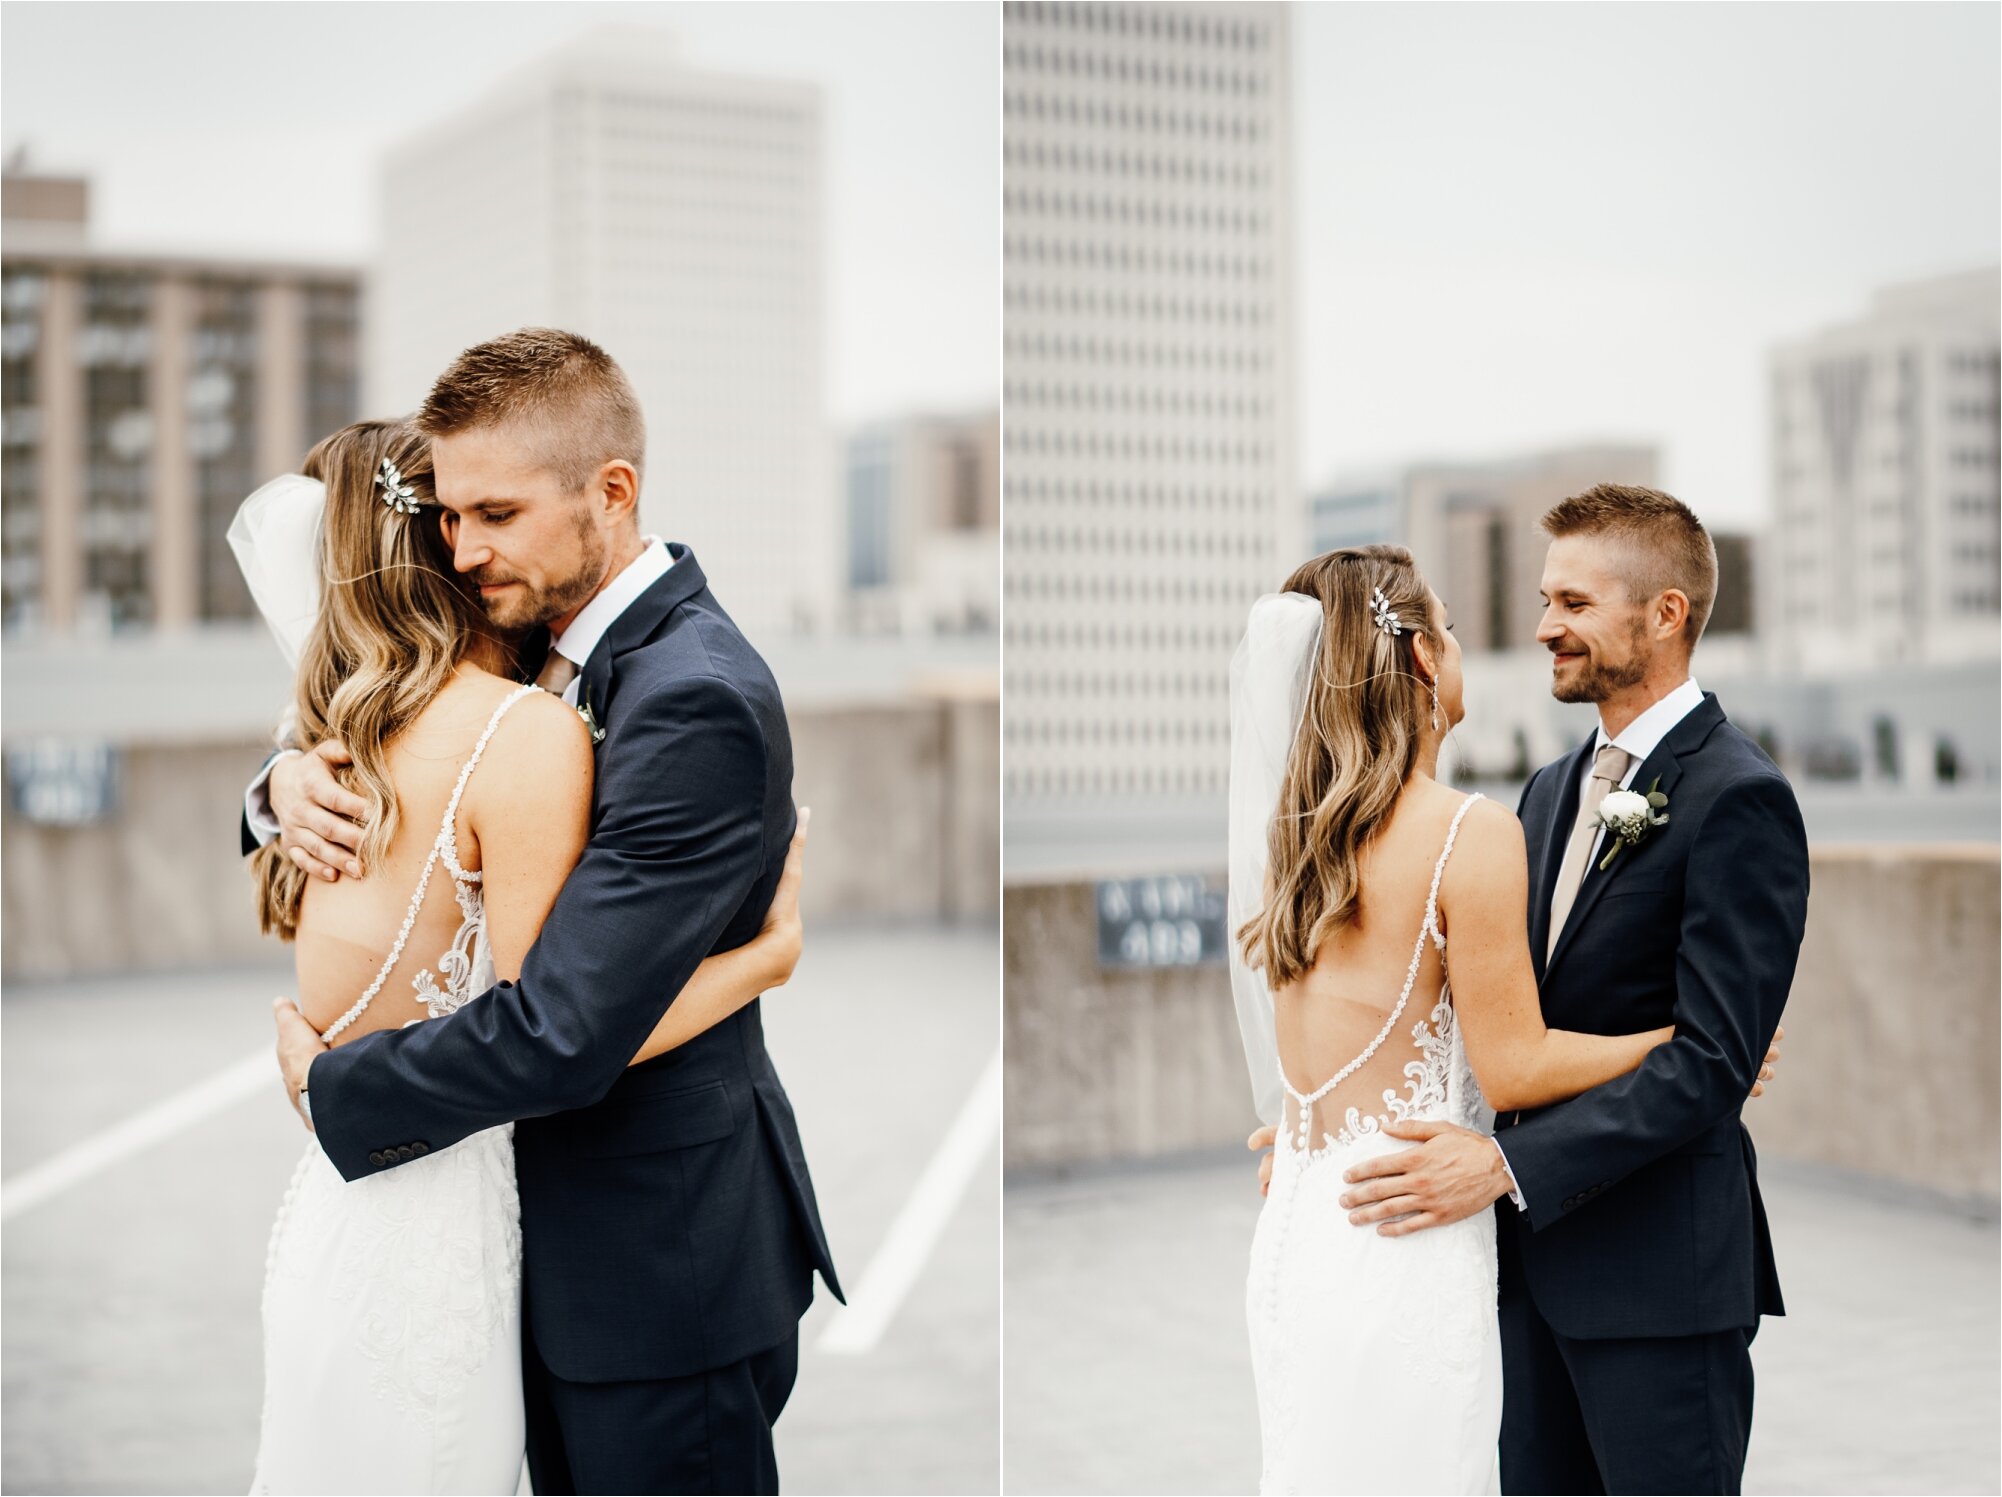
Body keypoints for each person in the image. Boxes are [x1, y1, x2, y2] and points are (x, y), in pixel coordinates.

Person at [249, 330, 840, 1495]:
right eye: (450, 519)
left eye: (495, 516)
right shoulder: (530, 650)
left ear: (610, 494)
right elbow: (415, 764)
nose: (462, 552)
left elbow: (563, 1031)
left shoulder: (692, 699)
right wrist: (276, 787)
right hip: (537, 1252)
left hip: (657, 1273)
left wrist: (337, 1090)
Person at [1237, 491, 1802, 1495]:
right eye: (1544, 599)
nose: (1543, 626)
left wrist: (1504, 1164)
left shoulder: (1737, 796)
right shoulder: (1541, 792)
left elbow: (1714, 1062)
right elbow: (1478, 1018)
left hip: (1654, 1285)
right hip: (1504, 1276)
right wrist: (1328, 1121)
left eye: (1573, 602)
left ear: (1663, 614)